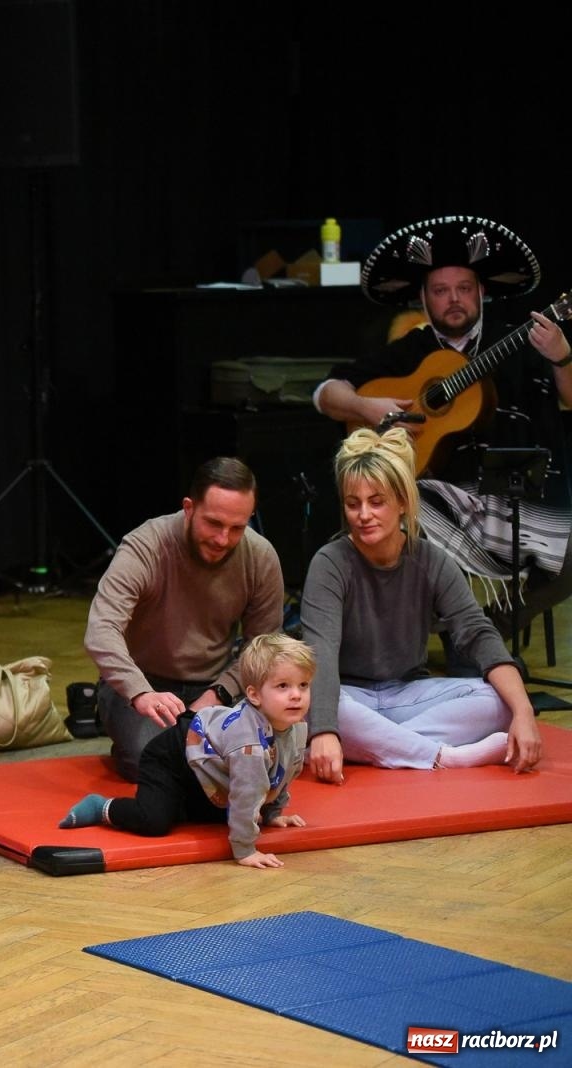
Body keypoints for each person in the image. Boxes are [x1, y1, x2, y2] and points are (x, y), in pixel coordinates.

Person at [313, 216, 572, 607]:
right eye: (441, 290)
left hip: (516, 501)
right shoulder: (406, 352)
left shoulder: (519, 342)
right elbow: (324, 394)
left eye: (464, 289)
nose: (454, 299)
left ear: (481, 291)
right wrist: (367, 405)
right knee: (394, 515)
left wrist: (563, 357)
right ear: (423, 297)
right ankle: (442, 630)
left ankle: (484, 629)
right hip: (435, 503)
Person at [301, 428, 542, 783]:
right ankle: (442, 756)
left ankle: (377, 747)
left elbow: (478, 634)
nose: (363, 514)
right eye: (353, 504)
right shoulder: (330, 562)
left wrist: (524, 712)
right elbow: (318, 653)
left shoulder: (431, 560)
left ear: (402, 502)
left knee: (499, 701)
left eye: (376, 501)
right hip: (347, 698)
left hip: (408, 695)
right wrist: (323, 729)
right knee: (309, 707)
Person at [83, 457, 285, 782]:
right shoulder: (145, 546)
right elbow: (101, 630)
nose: (223, 539)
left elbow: (264, 646)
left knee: (268, 750)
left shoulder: (260, 556)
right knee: (151, 759)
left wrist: (220, 691)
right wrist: (140, 693)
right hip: (145, 684)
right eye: (214, 524)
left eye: (237, 528)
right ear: (189, 508)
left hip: (217, 686)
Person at [59, 633, 314, 869]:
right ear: (254, 695)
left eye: (303, 685)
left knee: (228, 814)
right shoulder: (247, 743)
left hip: (204, 767)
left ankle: (178, 804)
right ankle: (102, 807)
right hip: (170, 758)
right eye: (283, 686)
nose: (296, 695)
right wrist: (245, 850)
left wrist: (272, 813)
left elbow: (284, 770)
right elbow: (248, 793)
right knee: (154, 821)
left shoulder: (295, 726)